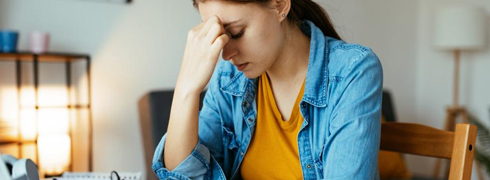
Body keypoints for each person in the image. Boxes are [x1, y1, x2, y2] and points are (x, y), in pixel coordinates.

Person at [152, 0, 383, 179]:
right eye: (219, 36)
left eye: (235, 33)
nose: (226, 53)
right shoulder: (229, 78)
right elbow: (184, 176)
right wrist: (186, 89)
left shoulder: (353, 71)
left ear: (280, 5)